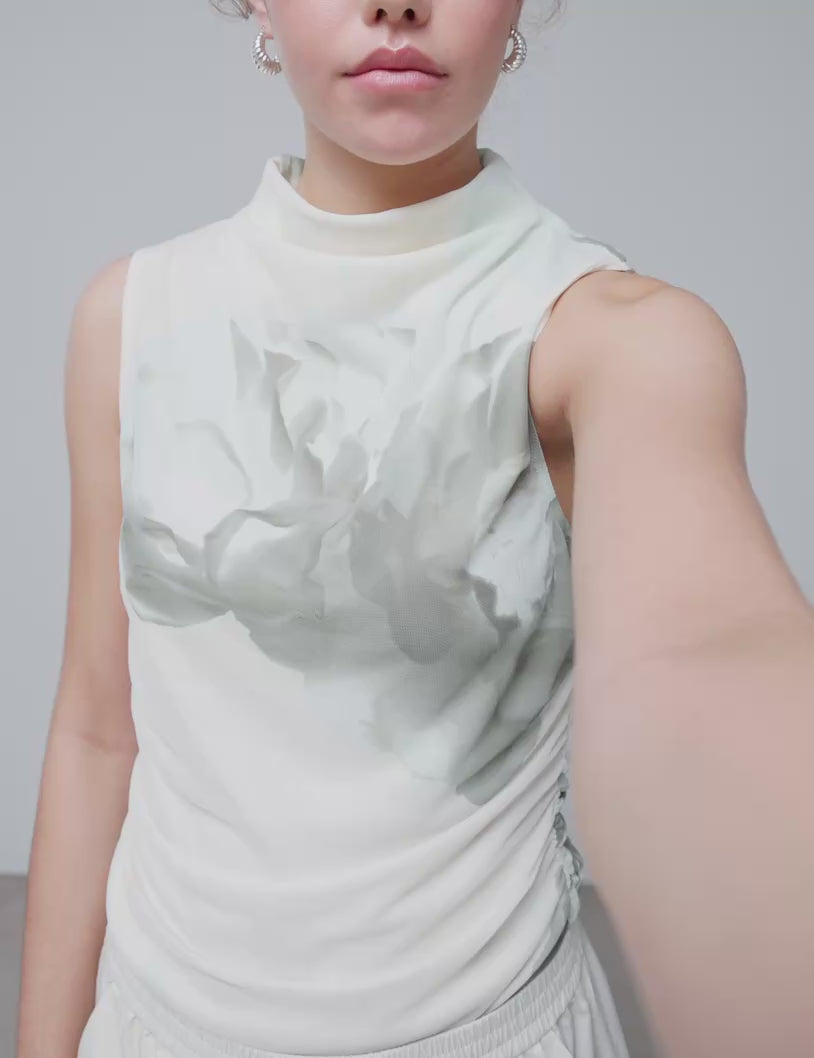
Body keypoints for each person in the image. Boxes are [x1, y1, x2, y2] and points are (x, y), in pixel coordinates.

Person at [15, 2, 814, 1058]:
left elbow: (709, 660)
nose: (397, 2)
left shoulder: (611, 337)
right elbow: (96, 728)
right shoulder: (131, 317)